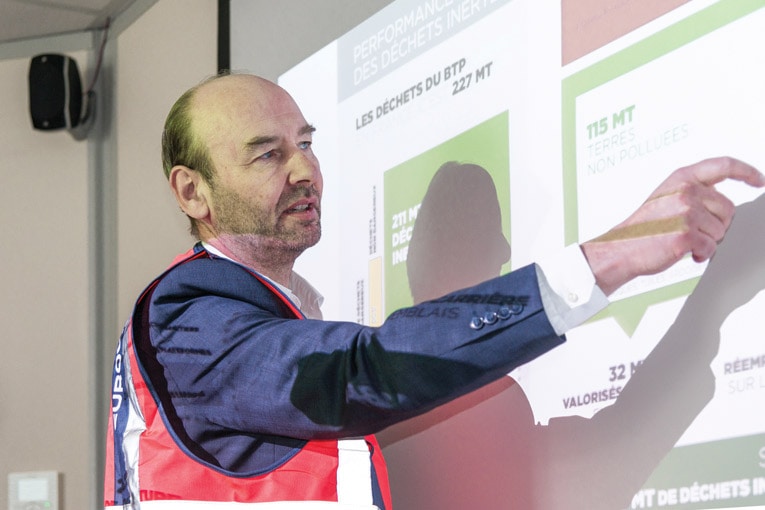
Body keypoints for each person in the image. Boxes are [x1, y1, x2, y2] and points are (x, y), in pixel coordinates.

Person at [103, 72, 764, 510]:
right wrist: (612, 255)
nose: (306, 169)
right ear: (193, 192)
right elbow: (363, 372)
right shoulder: (186, 319)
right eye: (268, 154)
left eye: (305, 143)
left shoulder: (265, 319)